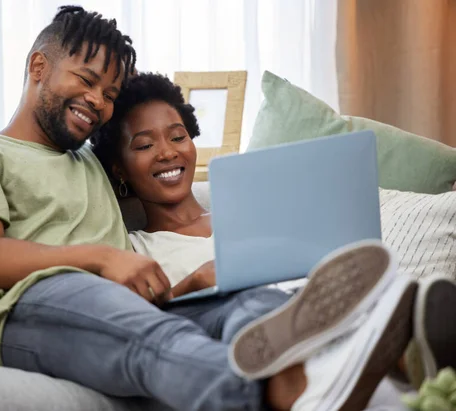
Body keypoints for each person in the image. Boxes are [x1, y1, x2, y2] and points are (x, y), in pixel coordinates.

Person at [0, 6, 448, 411]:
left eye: (110, 92)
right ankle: (299, 398)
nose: (98, 101)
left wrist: (183, 281)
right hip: (30, 307)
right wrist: (102, 259)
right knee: (158, 341)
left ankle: (383, 362)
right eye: (85, 80)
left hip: (127, 300)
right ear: (38, 66)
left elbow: (156, 181)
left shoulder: (88, 164)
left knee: (254, 306)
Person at [91, 72, 456, 408]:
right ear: (119, 167)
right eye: (144, 145)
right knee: (250, 303)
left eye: (177, 136)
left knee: (386, 287)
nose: (168, 152)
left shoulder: (257, 209)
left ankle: (398, 353)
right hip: (244, 329)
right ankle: (370, 362)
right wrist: (196, 282)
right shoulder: (136, 248)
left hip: (313, 302)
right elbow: (139, 325)